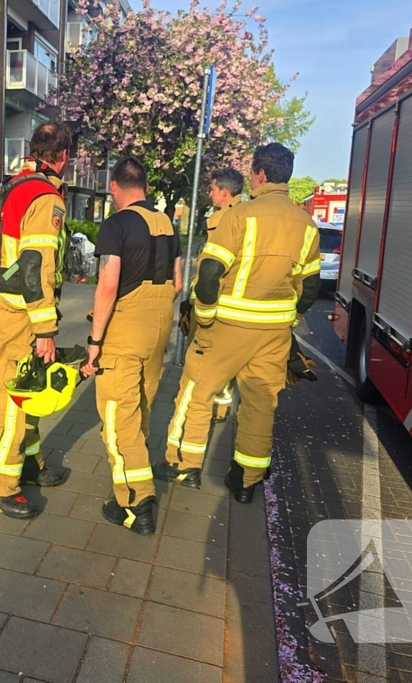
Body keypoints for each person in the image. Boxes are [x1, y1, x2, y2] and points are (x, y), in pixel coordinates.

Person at [155, 143, 321, 504]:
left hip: (227, 327)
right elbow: (310, 288)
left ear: (259, 175)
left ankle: (184, 466)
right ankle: (246, 481)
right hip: (275, 333)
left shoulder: (240, 216)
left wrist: (206, 315)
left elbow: (211, 272)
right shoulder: (307, 225)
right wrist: (289, 318)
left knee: (195, 394)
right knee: (261, 405)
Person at [81, 157, 181, 535]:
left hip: (126, 327)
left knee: (118, 418)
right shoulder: (168, 223)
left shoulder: (117, 224)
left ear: (115, 187)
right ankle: (129, 485)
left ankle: (137, 504)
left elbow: (108, 286)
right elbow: (177, 281)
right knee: (139, 407)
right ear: (144, 185)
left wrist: (94, 343)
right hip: (159, 326)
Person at [0, 122, 72, 519]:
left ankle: (30, 465)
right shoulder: (45, 196)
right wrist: (45, 330)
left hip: (5, 308)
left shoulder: (15, 185)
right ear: (64, 156)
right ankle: (1, 486)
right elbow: (35, 267)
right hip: (21, 315)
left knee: (26, 396)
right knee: (15, 405)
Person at [179, 167, 246, 424]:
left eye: (212, 189)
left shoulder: (225, 221)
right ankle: (220, 406)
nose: (209, 193)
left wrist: (197, 304)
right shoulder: (242, 215)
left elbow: (210, 270)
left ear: (225, 192)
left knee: (201, 360)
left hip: (212, 304)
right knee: (224, 363)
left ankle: (202, 409)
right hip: (228, 305)